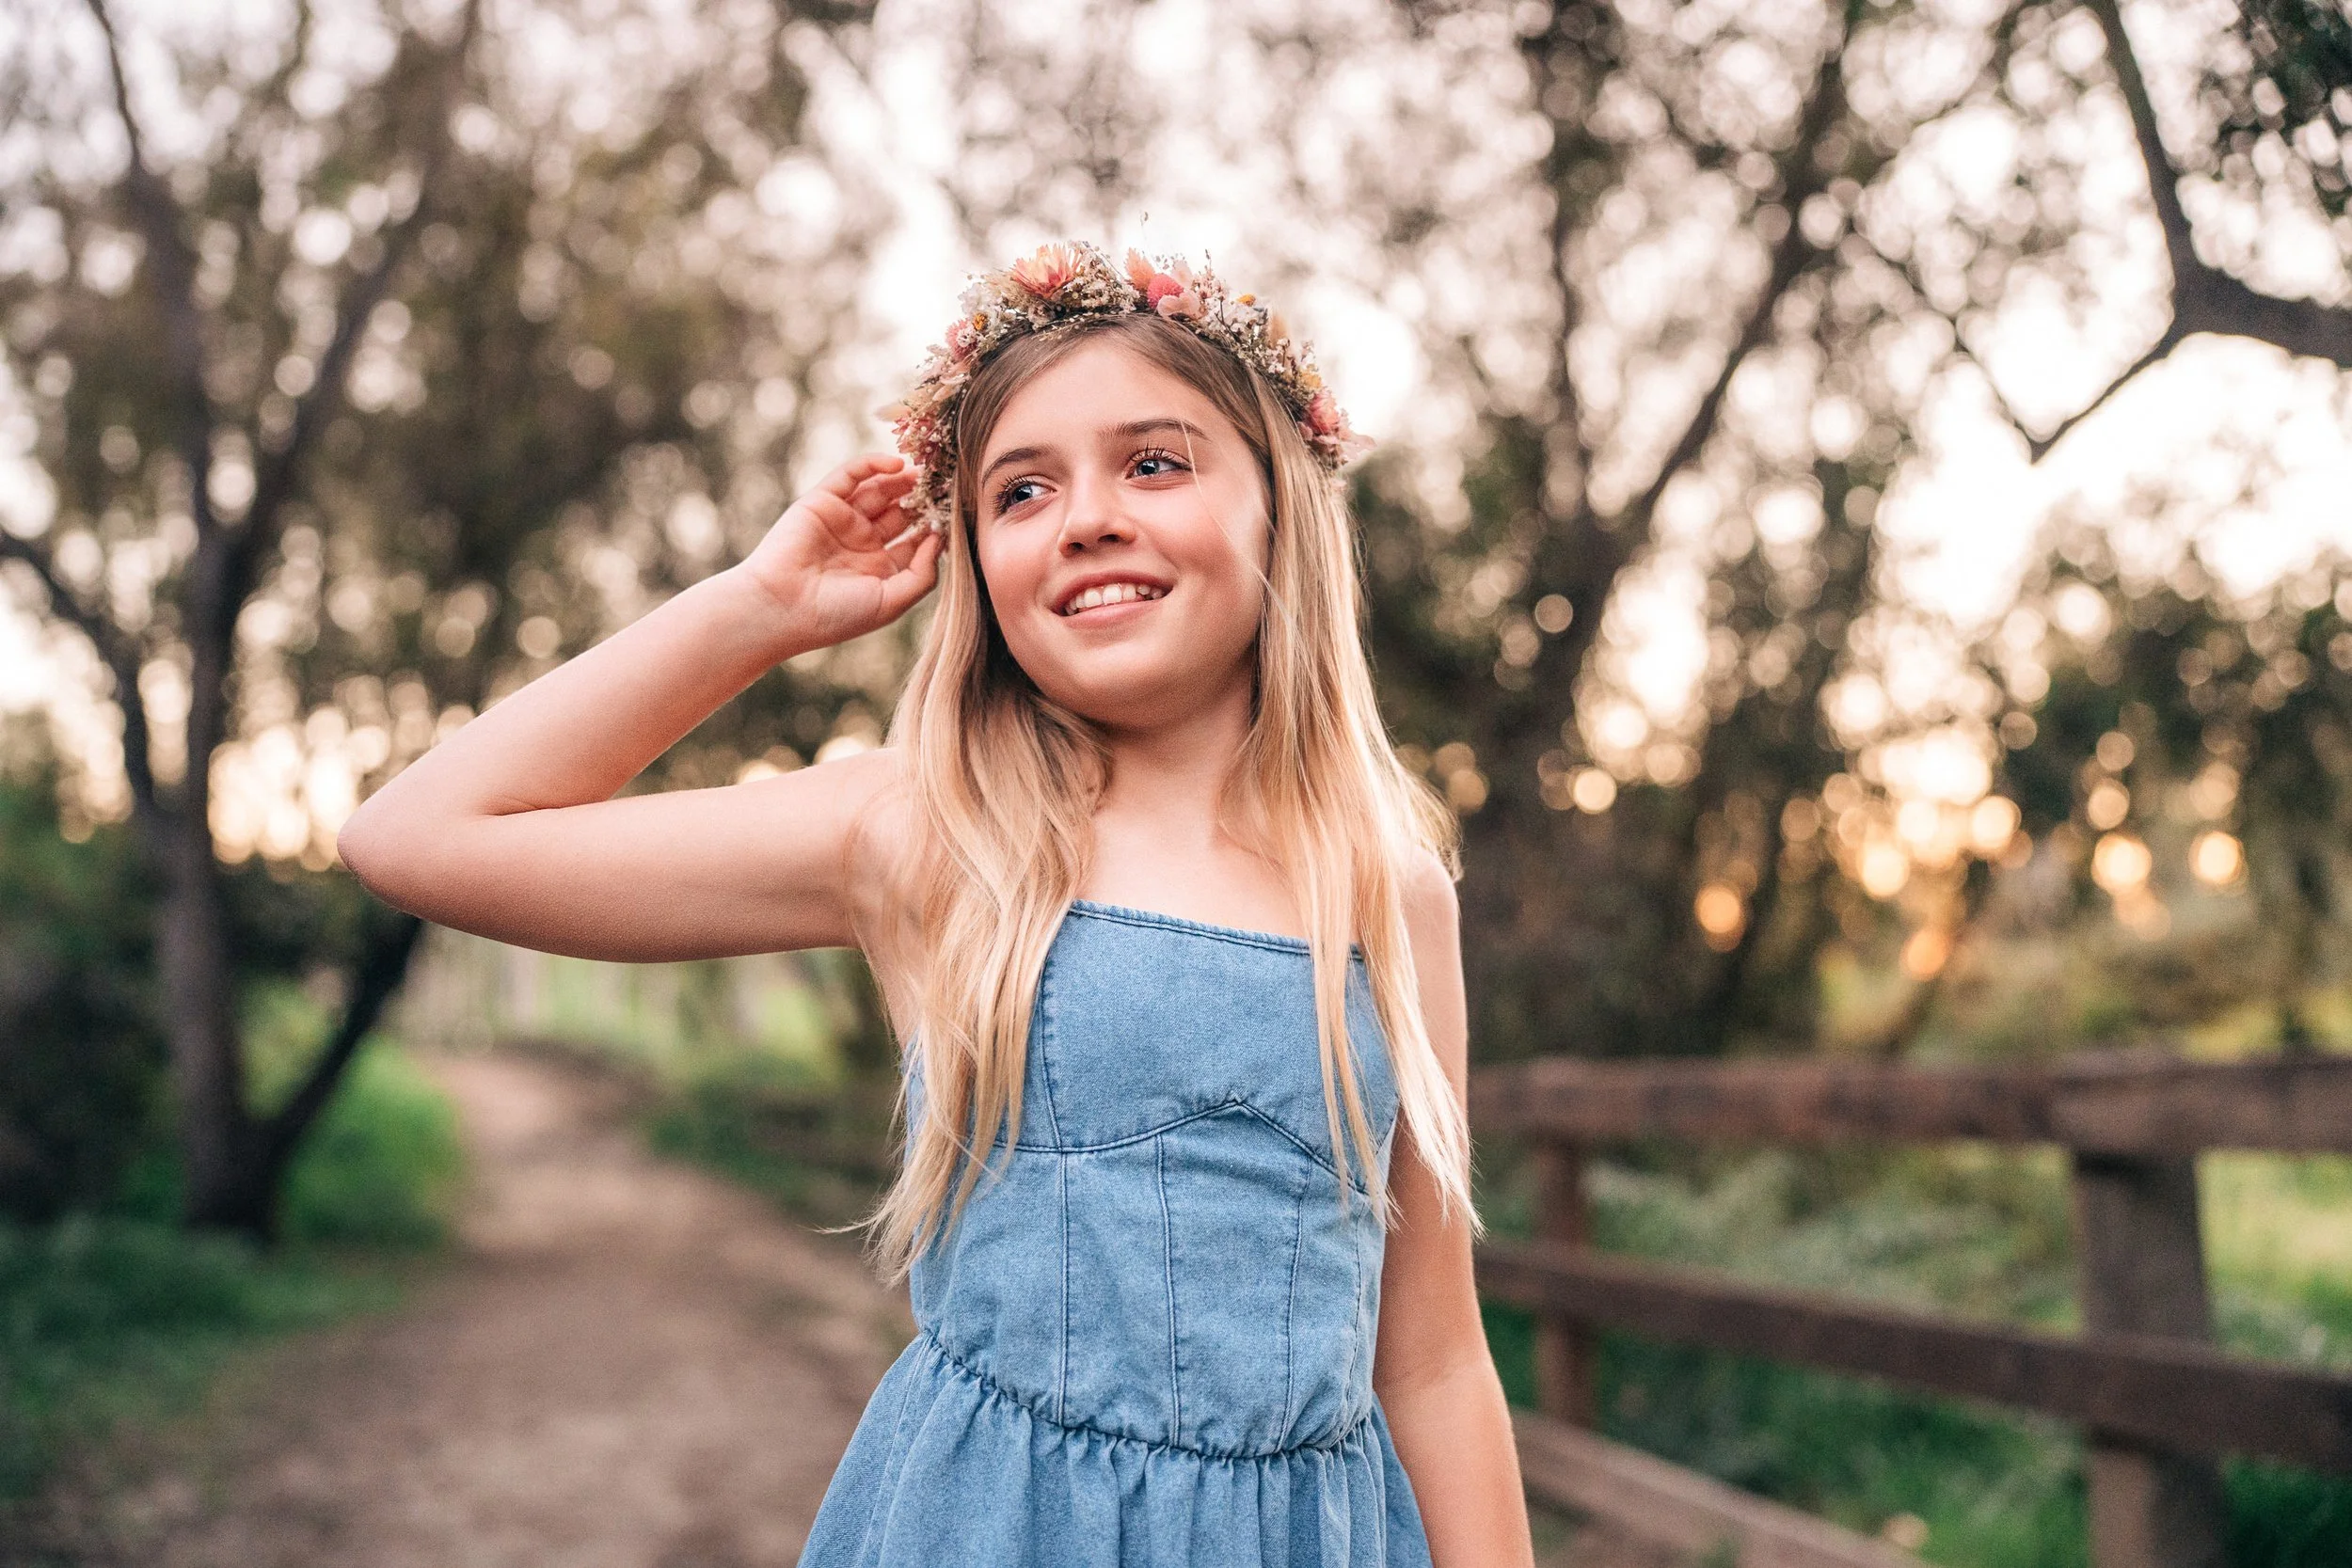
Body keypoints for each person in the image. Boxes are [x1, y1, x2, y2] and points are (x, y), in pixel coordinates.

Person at [339, 239, 1535, 1566]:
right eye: (1021, 490)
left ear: (1281, 509)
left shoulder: (1388, 892)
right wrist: (759, 609)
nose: (1087, 515)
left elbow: (1431, 1362)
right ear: (977, 558)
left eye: (1154, 460)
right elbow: (419, 835)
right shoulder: (933, 835)